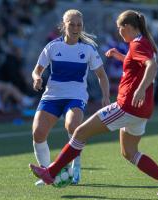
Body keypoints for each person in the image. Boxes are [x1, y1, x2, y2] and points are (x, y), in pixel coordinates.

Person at [29, 10, 158, 196]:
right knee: (129, 152)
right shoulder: (142, 43)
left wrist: (141, 89)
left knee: (79, 132)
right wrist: (120, 56)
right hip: (142, 110)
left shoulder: (137, 44)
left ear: (126, 27)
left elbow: (152, 66)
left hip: (127, 106)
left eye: (120, 29)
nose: (119, 33)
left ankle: (50, 173)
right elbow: (138, 65)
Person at [31, 9, 110, 186]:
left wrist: (106, 96)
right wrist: (37, 78)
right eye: (71, 24)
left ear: (82, 27)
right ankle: (46, 172)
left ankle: (76, 165)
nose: (75, 28)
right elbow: (37, 70)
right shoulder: (52, 47)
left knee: (73, 126)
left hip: (76, 96)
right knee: (38, 133)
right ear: (64, 25)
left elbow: (102, 75)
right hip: (52, 96)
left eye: (79, 25)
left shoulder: (88, 49)